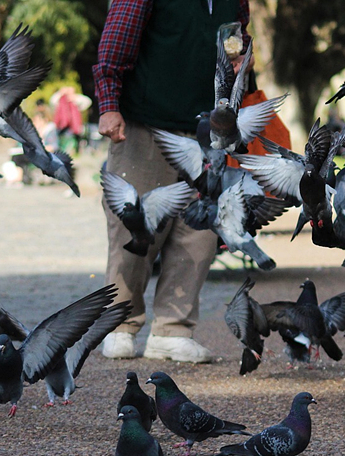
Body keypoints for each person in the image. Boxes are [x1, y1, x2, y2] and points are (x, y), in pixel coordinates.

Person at [92, 0, 251, 363]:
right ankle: (120, 324)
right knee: (133, 227)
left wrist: (244, 60)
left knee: (199, 234)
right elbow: (115, 44)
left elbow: (239, 37)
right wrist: (108, 105)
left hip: (208, 126)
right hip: (146, 122)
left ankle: (172, 330)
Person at [53, 87, 83, 154]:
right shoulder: (60, 100)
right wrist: (60, 93)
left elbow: (87, 102)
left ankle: (72, 152)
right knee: (62, 140)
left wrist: (75, 97)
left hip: (73, 125)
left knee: (72, 141)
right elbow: (52, 101)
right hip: (62, 125)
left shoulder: (76, 101)